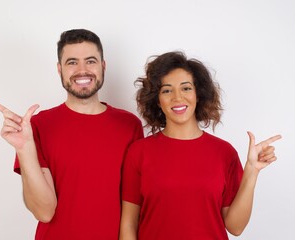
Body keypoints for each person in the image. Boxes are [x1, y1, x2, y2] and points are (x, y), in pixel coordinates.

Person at [0, 29, 144, 240]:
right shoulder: (38, 125)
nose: (82, 70)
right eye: (72, 62)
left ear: (103, 66)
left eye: (90, 61)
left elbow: (133, 207)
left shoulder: (129, 126)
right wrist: (25, 149)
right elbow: (44, 212)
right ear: (59, 69)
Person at [119, 51, 281, 240]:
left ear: (198, 94)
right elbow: (129, 224)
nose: (177, 97)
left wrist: (252, 171)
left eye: (186, 88)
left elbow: (235, 227)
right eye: (167, 90)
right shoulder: (139, 152)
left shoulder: (224, 152)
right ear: (157, 100)